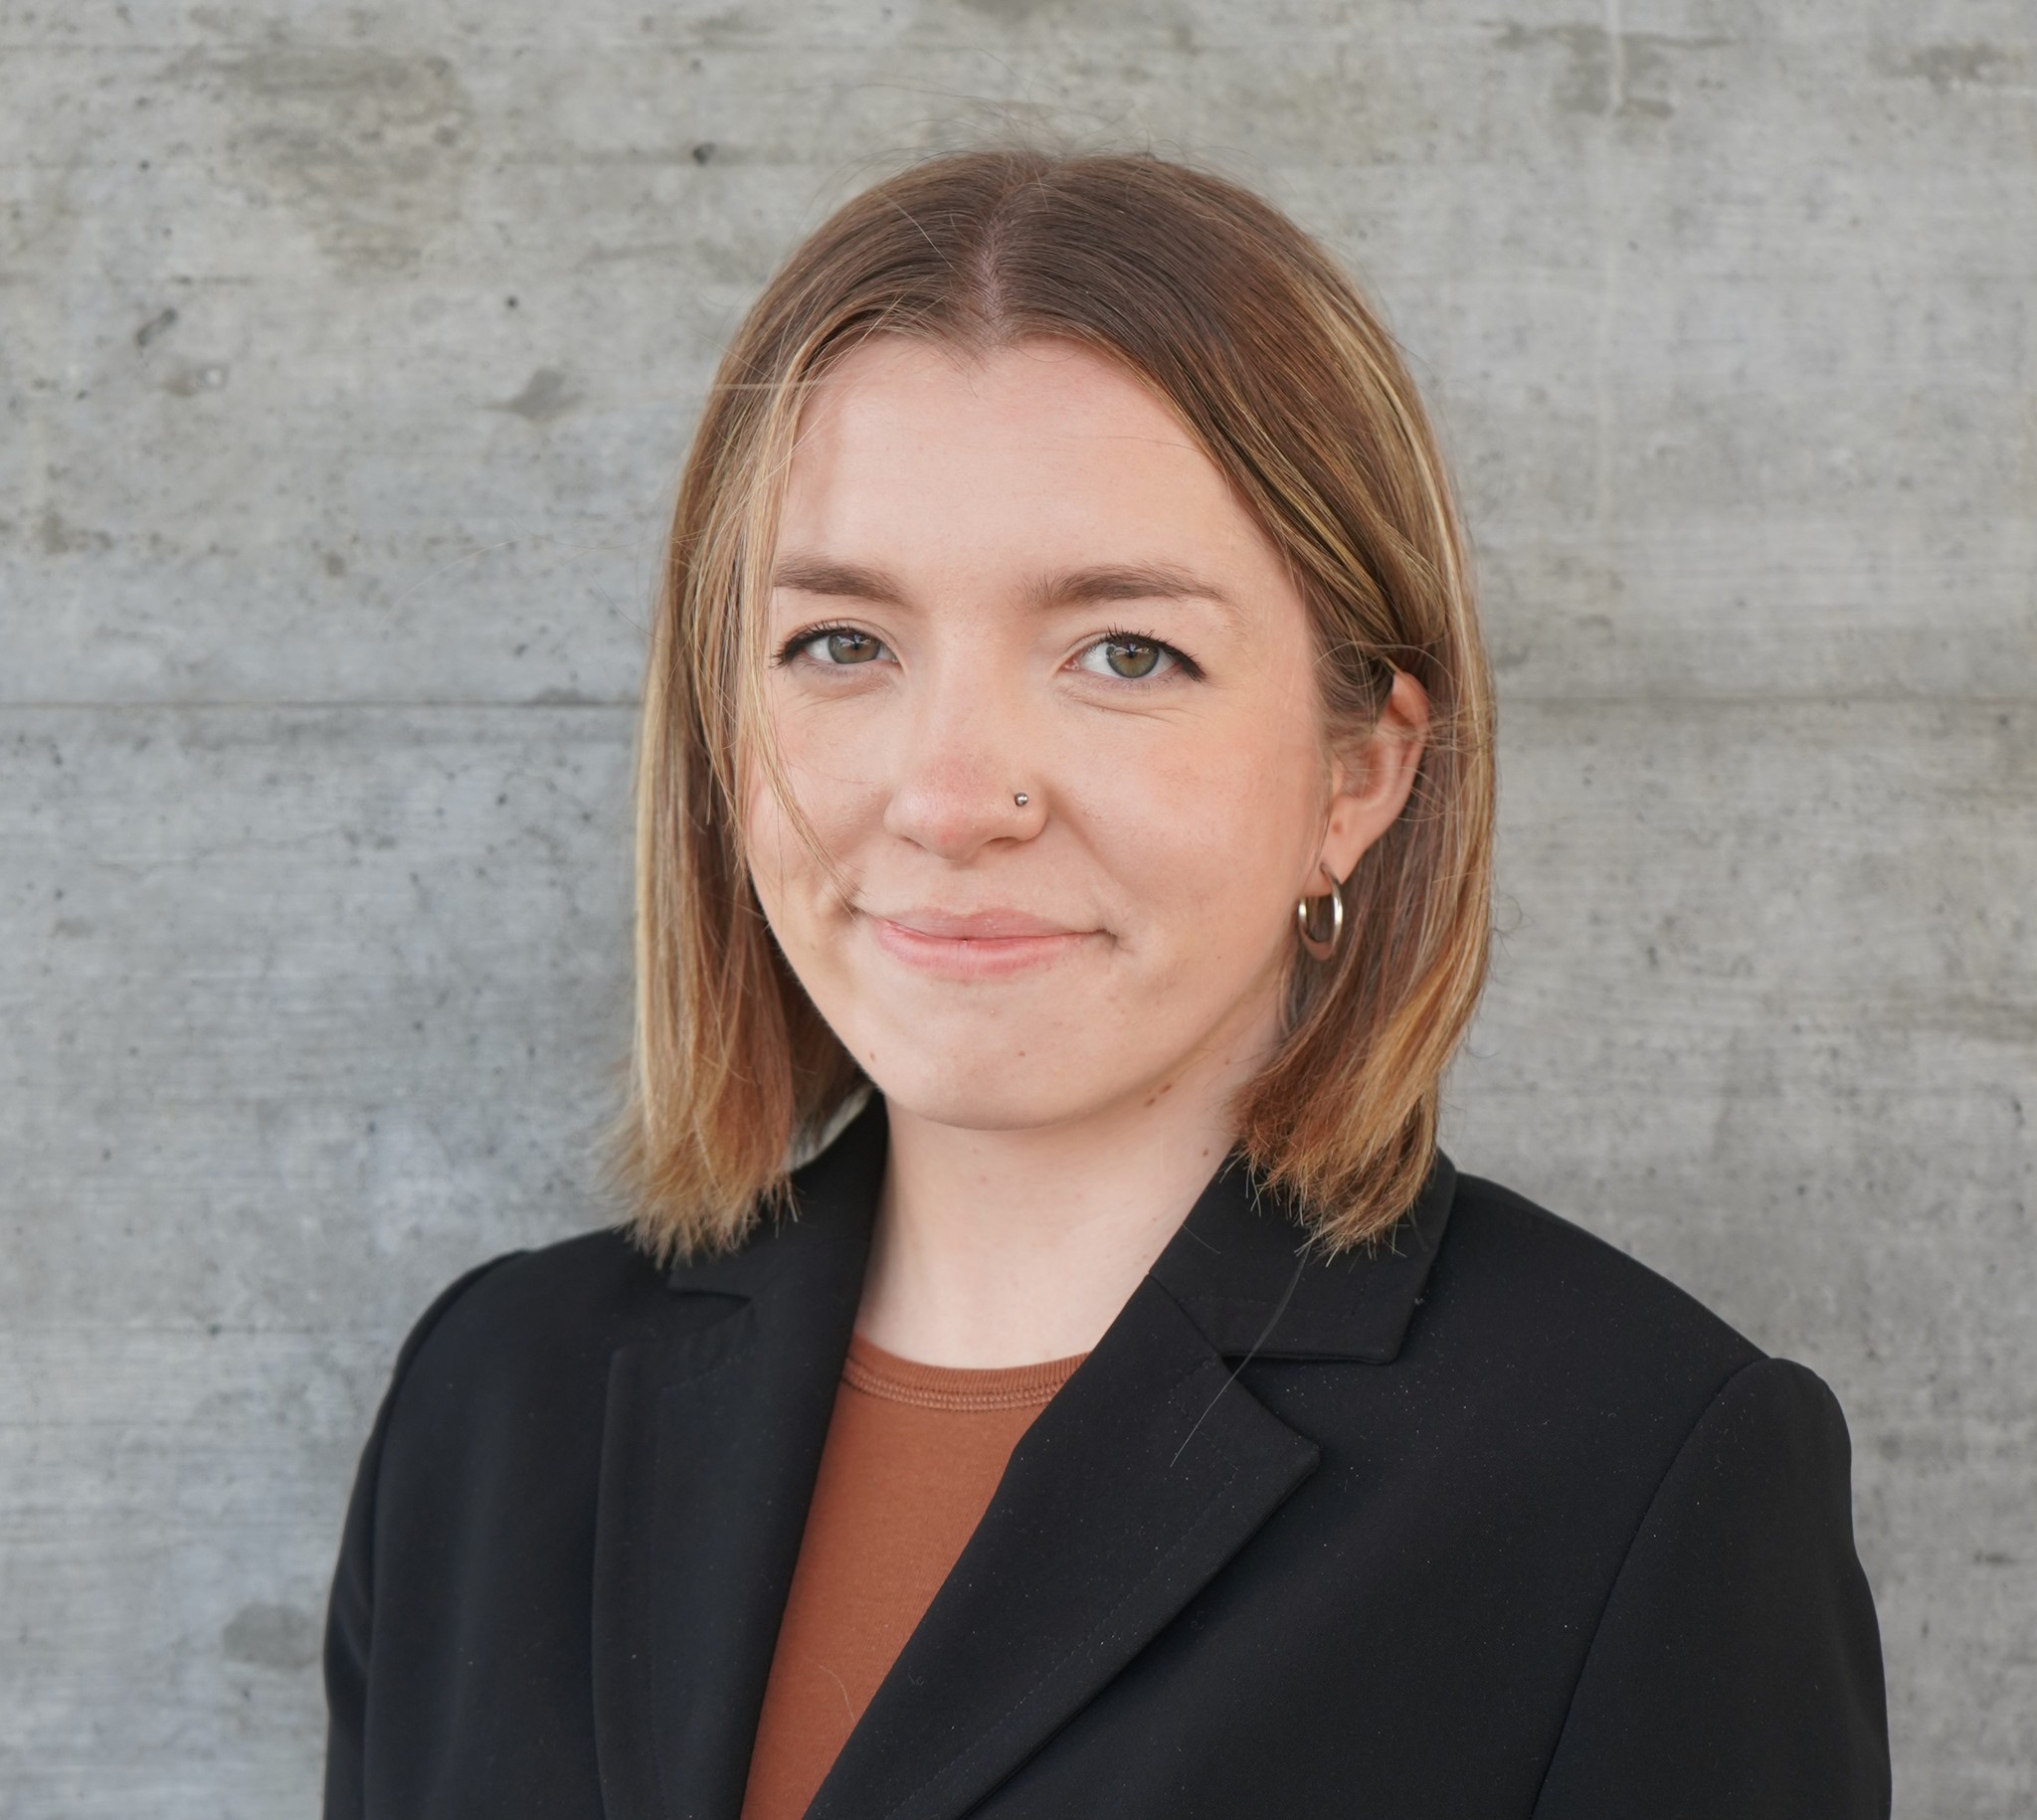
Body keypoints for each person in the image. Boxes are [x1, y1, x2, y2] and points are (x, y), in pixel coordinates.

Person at [321, 148, 1891, 1819]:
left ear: (1358, 771)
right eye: (841, 644)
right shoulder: (495, 1403)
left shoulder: (1640, 1475)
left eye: (1124, 652)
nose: (949, 794)